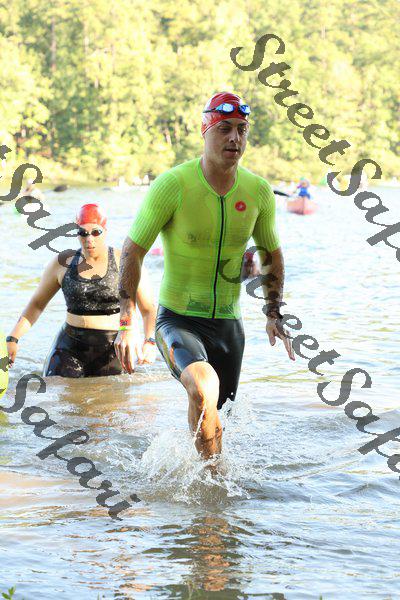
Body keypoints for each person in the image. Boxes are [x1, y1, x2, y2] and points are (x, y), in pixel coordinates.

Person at [115, 92, 294, 460]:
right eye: (224, 128)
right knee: (202, 386)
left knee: (216, 417)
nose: (234, 138)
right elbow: (132, 251)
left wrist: (274, 313)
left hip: (229, 328)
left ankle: (206, 484)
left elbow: (271, 254)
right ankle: (210, 484)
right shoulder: (173, 185)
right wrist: (126, 322)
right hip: (178, 320)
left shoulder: (258, 191)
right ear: (204, 131)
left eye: (242, 129)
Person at [6, 203, 157, 377]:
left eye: (96, 232)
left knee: (111, 394)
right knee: (55, 389)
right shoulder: (62, 263)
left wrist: (150, 341)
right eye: (82, 232)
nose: (89, 238)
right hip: (68, 349)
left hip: (112, 349)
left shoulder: (124, 261)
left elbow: (148, 310)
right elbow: (37, 305)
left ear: (105, 230)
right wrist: (13, 338)